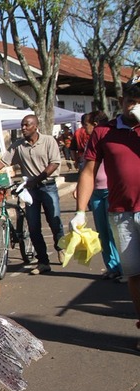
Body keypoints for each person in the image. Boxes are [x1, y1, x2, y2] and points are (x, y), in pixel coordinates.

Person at [73, 80, 140, 348]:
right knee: (134, 274)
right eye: (131, 98)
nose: (134, 103)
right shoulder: (103, 131)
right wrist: (80, 211)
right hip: (121, 213)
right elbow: (89, 171)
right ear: (122, 100)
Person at [0, 114, 66, 275]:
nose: (23, 128)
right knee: (34, 226)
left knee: (54, 221)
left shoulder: (49, 141)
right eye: (22, 125)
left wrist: (37, 179)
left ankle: (60, 247)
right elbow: (4, 161)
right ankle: (43, 261)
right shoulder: (18, 146)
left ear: (36, 126)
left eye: (27, 125)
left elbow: (54, 163)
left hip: (48, 186)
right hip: (30, 190)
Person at [78, 111, 123, 281]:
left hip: (111, 190)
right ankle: (112, 267)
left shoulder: (111, 137)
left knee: (115, 232)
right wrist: (80, 188)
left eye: (86, 125)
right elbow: (86, 169)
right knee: (102, 231)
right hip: (95, 191)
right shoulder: (91, 141)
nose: (84, 128)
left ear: (95, 124)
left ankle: (125, 268)